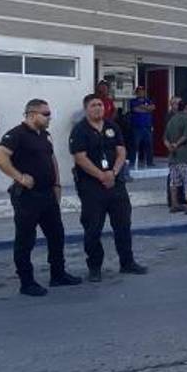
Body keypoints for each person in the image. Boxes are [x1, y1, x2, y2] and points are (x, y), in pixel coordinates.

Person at [0, 99, 82, 297]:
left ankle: (58, 274)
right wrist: (20, 177)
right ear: (31, 114)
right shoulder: (16, 134)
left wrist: (57, 184)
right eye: (46, 113)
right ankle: (27, 282)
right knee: (25, 240)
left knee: (56, 235)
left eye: (49, 113)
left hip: (47, 194)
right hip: (27, 197)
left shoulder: (45, 135)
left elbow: (52, 160)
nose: (49, 117)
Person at [70, 94, 148, 281]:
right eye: (93, 105)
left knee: (123, 224)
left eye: (100, 105)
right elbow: (80, 157)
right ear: (86, 109)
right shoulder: (80, 130)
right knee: (93, 228)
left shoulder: (113, 126)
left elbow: (121, 151)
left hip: (115, 184)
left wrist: (113, 173)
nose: (98, 108)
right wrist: (101, 175)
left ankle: (127, 263)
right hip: (91, 186)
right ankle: (95, 267)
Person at [164, 98, 187, 214]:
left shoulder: (172, 119)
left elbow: (165, 137)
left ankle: (174, 204)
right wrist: (176, 144)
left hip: (174, 157)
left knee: (175, 181)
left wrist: (170, 146)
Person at [128, 85, 156, 169]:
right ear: (136, 92)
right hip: (137, 127)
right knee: (135, 145)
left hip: (147, 127)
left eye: (143, 91)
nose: (141, 92)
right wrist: (146, 108)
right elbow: (135, 109)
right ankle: (132, 162)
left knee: (149, 144)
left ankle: (149, 162)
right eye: (139, 91)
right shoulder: (133, 101)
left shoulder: (148, 100)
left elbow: (153, 108)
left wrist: (142, 107)